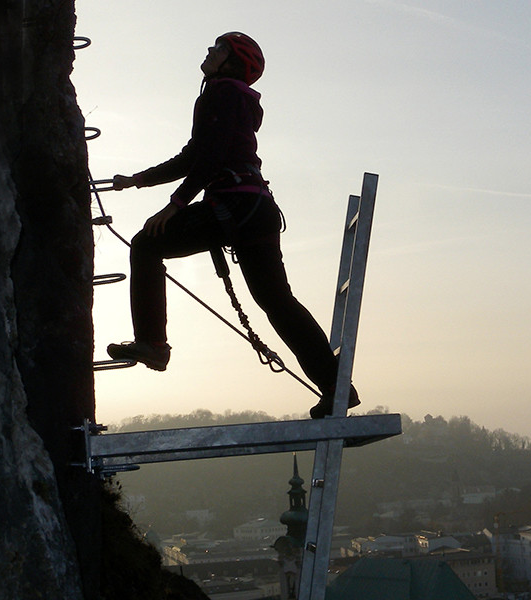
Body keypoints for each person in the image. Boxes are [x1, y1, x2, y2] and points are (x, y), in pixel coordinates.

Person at [107, 32, 357, 419]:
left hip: (233, 205)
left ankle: (153, 344)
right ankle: (338, 388)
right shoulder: (232, 96)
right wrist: (137, 180)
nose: (209, 51)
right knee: (278, 303)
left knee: (146, 244)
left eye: (217, 48)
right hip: (255, 208)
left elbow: (209, 158)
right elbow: (195, 156)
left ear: (232, 61)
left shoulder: (220, 94)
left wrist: (173, 206)